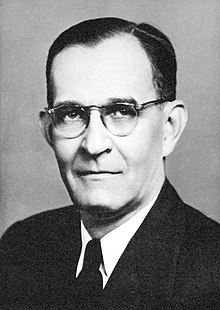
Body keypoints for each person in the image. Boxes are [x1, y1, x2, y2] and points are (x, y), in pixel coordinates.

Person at [0, 17, 219, 309]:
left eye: (121, 111)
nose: (93, 145)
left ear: (169, 127)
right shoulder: (22, 248)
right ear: (48, 130)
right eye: (71, 114)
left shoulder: (212, 278)